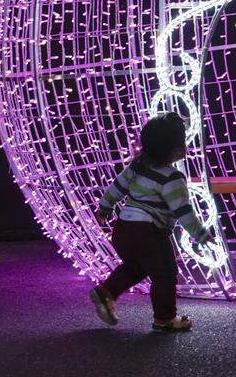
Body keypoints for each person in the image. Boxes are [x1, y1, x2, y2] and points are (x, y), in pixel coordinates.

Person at [89, 112, 215, 333]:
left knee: (138, 266)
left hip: (124, 230)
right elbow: (183, 211)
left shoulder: (137, 166)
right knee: (165, 273)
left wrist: (105, 208)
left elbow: (117, 187)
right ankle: (165, 319)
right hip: (148, 232)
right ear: (173, 150)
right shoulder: (172, 178)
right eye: (181, 143)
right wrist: (201, 234)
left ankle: (106, 291)